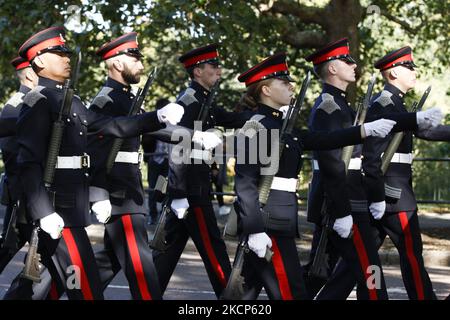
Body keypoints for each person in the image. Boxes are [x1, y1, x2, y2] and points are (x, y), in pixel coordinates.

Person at [5, 26, 183, 300]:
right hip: (54, 210)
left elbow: (110, 126)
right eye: (58, 53)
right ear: (39, 61)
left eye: (66, 53)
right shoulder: (36, 100)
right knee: (84, 287)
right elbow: (28, 163)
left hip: (69, 209)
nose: (66, 58)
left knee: (46, 283)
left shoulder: (71, 99)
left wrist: (156, 117)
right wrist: (43, 212)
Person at [233, 52, 399, 300]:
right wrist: (255, 229)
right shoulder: (257, 127)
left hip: (282, 218)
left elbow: (325, 139)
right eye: (283, 83)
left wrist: (365, 130)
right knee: (290, 292)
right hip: (269, 222)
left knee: (244, 294)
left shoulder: (283, 127)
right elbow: (245, 183)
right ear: (266, 90)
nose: (291, 86)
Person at [305, 39, 442, 300]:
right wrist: (352, 207)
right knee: (360, 270)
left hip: (354, 198)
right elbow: (344, 161)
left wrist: (416, 118)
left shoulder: (342, 104)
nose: (354, 64)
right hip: (357, 200)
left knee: (354, 271)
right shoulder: (331, 107)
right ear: (332, 68)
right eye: (347, 60)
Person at [152, 44, 253, 298]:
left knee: (166, 256)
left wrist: (264, 112)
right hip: (189, 190)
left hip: (193, 187)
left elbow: (229, 118)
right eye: (213, 66)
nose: (219, 71)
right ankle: (231, 299)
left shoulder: (203, 99)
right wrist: (177, 193)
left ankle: (147, 293)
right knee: (214, 249)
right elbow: (178, 144)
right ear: (198, 71)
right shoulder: (189, 100)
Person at [357, 46, 448, 300]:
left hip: (390, 194)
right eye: (409, 67)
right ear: (394, 72)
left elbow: (426, 131)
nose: (414, 72)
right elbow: (372, 157)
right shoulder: (384, 104)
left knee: (363, 258)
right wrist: (377, 196)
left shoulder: (395, 102)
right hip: (395, 197)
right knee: (411, 255)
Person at [86, 32, 166, 300]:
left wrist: (191, 135)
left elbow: (147, 127)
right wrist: (98, 192)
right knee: (141, 265)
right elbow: (95, 147)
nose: (141, 65)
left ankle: (60, 290)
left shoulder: (126, 98)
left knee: (109, 260)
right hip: (118, 193)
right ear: (118, 64)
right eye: (135, 59)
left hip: (128, 188)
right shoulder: (107, 100)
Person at [142, 98, 171, 225]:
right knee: (153, 187)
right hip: (154, 159)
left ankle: (162, 215)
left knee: (163, 188)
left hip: (167, 160)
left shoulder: (173, 122)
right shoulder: (152, 121)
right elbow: (145, 141)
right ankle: (152, 215)